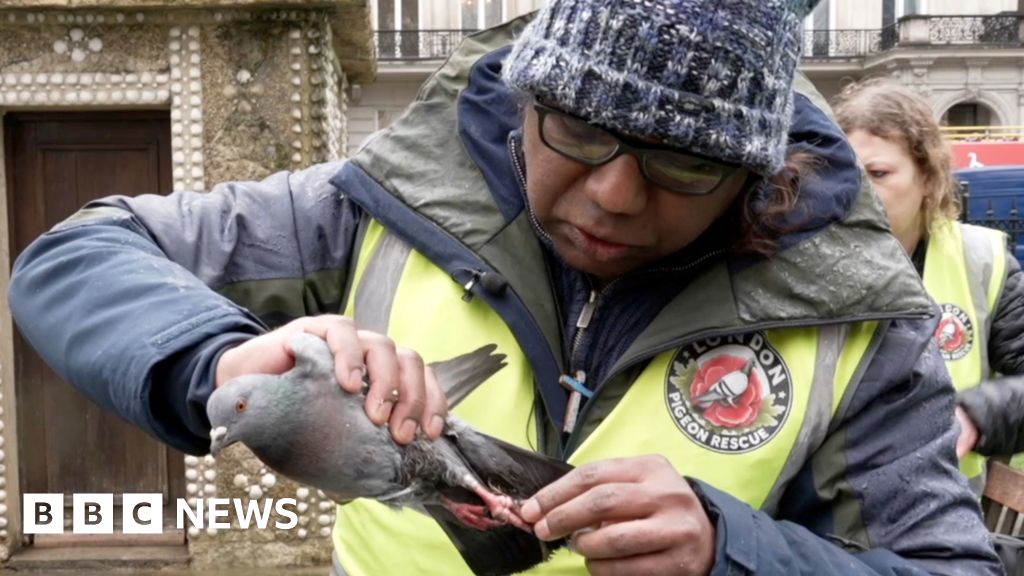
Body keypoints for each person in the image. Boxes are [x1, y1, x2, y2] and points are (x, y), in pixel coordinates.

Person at [8, 1, 1001, 575]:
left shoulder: (861, 315)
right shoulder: (377, 207)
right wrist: (219, 357)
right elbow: (74, 257)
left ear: (756, 176)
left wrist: (729, 553)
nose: (611, 195)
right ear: (521, 106)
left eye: (683, 164)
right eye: (575, 130)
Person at [834, 79, 1024, 494]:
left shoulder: (982, 262)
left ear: (927, 175)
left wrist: (976, 416)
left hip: (946, 519)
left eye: (879, 173)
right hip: (834, 521)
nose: (860, 192)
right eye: (848, 174)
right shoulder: (808, 260)